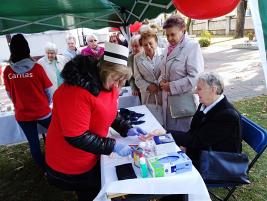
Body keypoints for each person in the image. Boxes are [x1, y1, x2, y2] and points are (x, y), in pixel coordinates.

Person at [45, 42, 147, 201]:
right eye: (116, 79)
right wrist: (113, 145)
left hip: (92, 153)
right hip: (71, 160)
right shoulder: (75, 92)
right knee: (91, 194)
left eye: (121, 80)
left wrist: (125, 127)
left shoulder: (107, 82)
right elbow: (76, 136)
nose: (118, 85)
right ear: (105, 70)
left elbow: (108, 112)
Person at [170, 72, 242, 169]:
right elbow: (194, 132)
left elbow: (197, 141)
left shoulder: (227, 115)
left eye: (199, 88)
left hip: (218, 164)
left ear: (213, 89)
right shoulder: (206, 104)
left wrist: (167, 134)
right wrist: (185, 146)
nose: (195, 92)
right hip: (204, 153)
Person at [3, 34, 53, 171]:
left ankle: (45, 170)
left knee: (33, 143)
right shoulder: (37, 68)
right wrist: (45, 103)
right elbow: (48, 91)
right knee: (57, 134)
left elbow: (9, 94)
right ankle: (57, 160)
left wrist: (20, 103)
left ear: (12, 50)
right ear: (27, 49)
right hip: (42, 111)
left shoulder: (8, 71)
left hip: (22, 114)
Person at [159, 15, 204, 132]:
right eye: (167, 35)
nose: (169, 38)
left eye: (172, 34)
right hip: (167, 101)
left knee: (183, 138)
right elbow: (162, 71)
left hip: (183, 103)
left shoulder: (192, 47)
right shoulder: (167, 48)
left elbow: (196, 77)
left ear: (182, 29)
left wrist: (171, 86)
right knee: (171, 135)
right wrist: (161, 81)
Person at [134, 28, 164, 105]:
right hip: (148, 95)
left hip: (163, 92)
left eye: (151, 43)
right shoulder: (137, 58)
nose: (148, 47)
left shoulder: (165, 53)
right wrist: (148, 86)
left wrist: (159, 83)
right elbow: (137, 79)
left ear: (156, 42)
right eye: (145, 45)